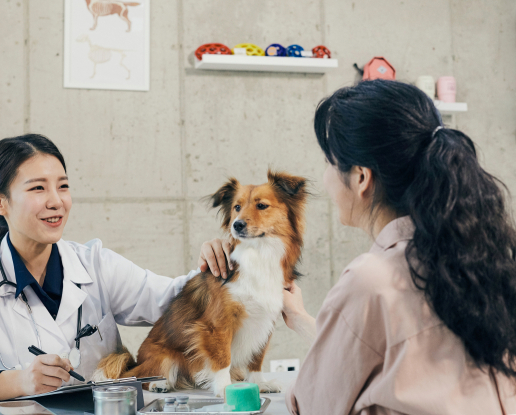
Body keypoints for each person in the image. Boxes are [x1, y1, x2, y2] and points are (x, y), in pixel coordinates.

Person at [201, 80, 516, 414]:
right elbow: (387, 351)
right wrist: (301, 318)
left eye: (329, 163)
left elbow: (313, 405)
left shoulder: (371, 279)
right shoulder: (473, 260)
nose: (324, 178)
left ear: (361, 178)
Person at [0, 134, 221, 404]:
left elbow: (175, 302)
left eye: (63, 186)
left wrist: (215, 270)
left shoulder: (95, 264)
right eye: (38, 189)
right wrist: (18, 381)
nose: (57, 201)